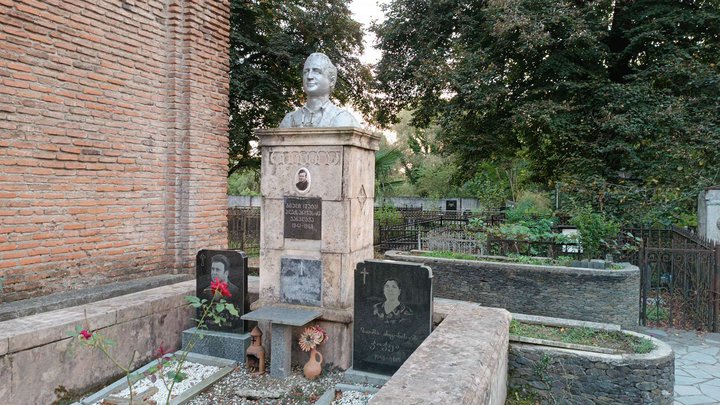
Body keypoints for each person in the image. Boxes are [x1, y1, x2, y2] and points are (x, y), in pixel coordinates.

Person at [279, 52, 361, 128]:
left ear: (331, 81)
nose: (309, 76)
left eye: (317, 71)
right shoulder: (289, 120)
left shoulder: (344, 119)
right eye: (306, 72)